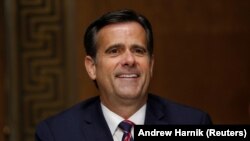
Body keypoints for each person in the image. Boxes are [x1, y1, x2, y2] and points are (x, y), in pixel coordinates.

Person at [35, 9, 212, 141]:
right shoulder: (56, 133)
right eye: (114, 51)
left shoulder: (194, 124)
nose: (129, 60)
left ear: (150, 65)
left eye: (138, 50)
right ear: (92, 67)